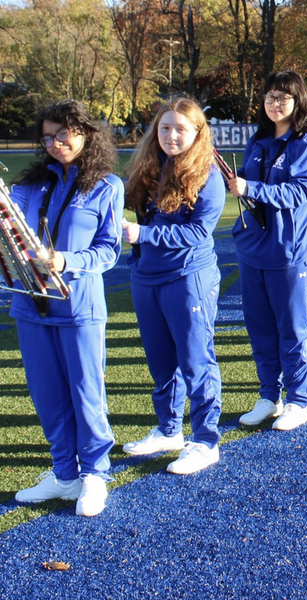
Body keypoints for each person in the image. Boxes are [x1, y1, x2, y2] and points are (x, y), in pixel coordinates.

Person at [11, 99, 123, 517]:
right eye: (47, 137)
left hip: (79, 309)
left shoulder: (107, 186)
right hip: (29, 306)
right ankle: (64, 474)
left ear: (85, 133)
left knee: (86, 394)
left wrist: (64, 261)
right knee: (47, 395)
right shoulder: (29, 185)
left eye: (63, 134)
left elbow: (109, 250)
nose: (55, 143)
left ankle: (94, 474)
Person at [121, 96, 226, 475]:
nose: (171, 135)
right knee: (161, 362)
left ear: (198, 132)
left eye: (181, 128)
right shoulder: (151, 165)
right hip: (146, 276)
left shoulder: (208, 174)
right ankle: (169, 430)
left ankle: (206, 440)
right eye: (165, 128)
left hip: (187, 278)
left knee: (196, 360)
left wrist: (143, 235)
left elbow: (198, 232)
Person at [226, 71, 307, 430]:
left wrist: (250, 188)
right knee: (260, 327)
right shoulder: (258, 140)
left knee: (292, 328)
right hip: (254, 248)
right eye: (269, 96)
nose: (275, 103)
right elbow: (246, 183)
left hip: (290, 250)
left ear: (299, 101)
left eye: (283, 97)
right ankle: (270, 396)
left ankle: (298, 400)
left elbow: (299, 192)